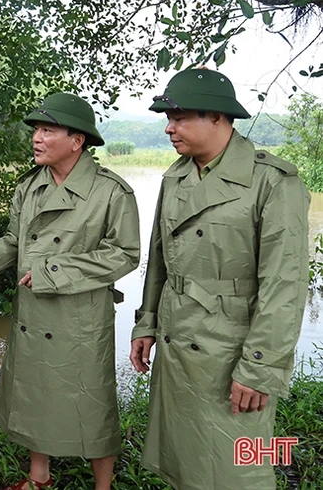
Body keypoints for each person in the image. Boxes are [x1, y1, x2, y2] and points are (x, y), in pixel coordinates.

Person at [0, 93, 140, 490]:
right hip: (34, 313)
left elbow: (125, 254)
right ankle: (39, 477)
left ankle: (104, 485)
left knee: (93, 404)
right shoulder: (29, 187)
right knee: (33, 393)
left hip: (81, 317)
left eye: (47, 130)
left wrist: (55, 269)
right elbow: (15, 242)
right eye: (35, 129)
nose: (36, 137)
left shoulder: (111, 192)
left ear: (77, 140)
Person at [130, 68, 310, 489]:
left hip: (231, 354)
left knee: (238, 467)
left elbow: (285, 285)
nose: (169, 128)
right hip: (178, 343)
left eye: (179, 117)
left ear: (218, 118)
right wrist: (147, 323)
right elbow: (159, 260)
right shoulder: (176, 175)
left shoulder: (272, 181)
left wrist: (260, 368)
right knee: (185, 460)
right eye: (167, 118)